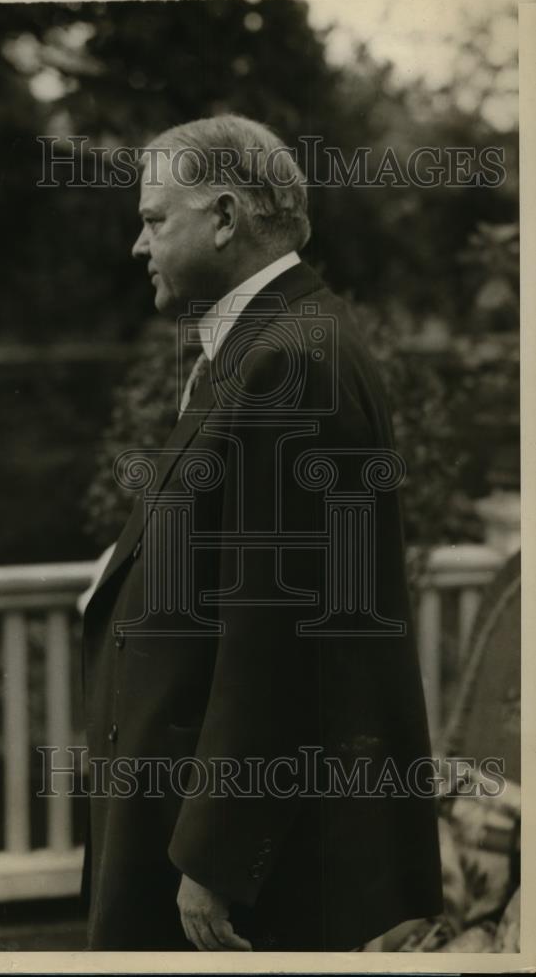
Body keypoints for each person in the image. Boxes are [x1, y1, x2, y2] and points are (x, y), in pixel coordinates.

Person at [80, 114, 443, 951]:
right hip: (199, 824)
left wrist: (216, 857)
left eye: (152, 220)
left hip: (237, 861)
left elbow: (279, 638)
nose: (138, 248)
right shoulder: (265, 343)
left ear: (223, 215)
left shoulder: (288, 358)